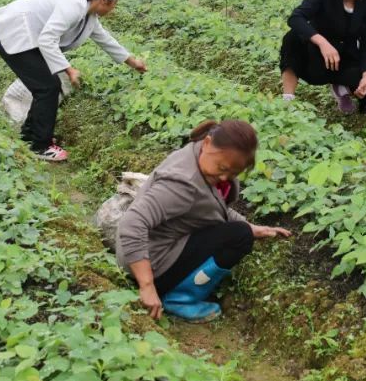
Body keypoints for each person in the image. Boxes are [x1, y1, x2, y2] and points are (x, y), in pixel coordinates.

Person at [117, 119, 291, 322]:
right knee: (239, 237)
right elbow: (132, 222)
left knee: (243, 230)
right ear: (208, 143)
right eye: (223, 168)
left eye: (233, 173)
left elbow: (211, 209)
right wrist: (147, 286)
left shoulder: (200, 155)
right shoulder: (183, 185)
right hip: (150, 264)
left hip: (156, 250)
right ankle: (178, 299)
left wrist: (254, 228)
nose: (226, 178)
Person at [0, 0, 146, 161]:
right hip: (13, 32)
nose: (114, 9)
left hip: (28, 37)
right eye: (115, 4)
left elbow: (105, 39)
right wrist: (69, 69)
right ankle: (41, 145)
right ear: (105, 0)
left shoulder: (89, 14)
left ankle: (30, 136)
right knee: (47, 86)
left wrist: (132, 62)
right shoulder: (74, 6)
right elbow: (47, 39)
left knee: (47, 86)